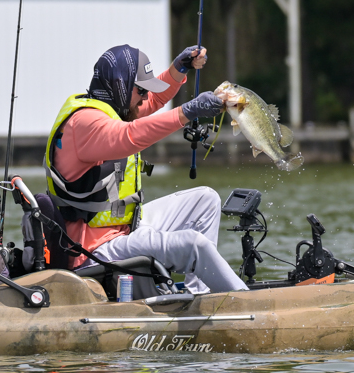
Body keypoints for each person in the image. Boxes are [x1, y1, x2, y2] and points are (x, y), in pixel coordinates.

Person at [43, 43, 249, 294]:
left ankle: (200, 295)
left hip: (121, 231)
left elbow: (153, 100)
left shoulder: (112, 108)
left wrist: (178, 70)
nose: (144, 97)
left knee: (206, 200)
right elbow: (129, 136)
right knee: (194, 244)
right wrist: (188, 110)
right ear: (120, 86)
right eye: (141, 89)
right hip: (93, 252)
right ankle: (249, 303)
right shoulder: (84, 123)